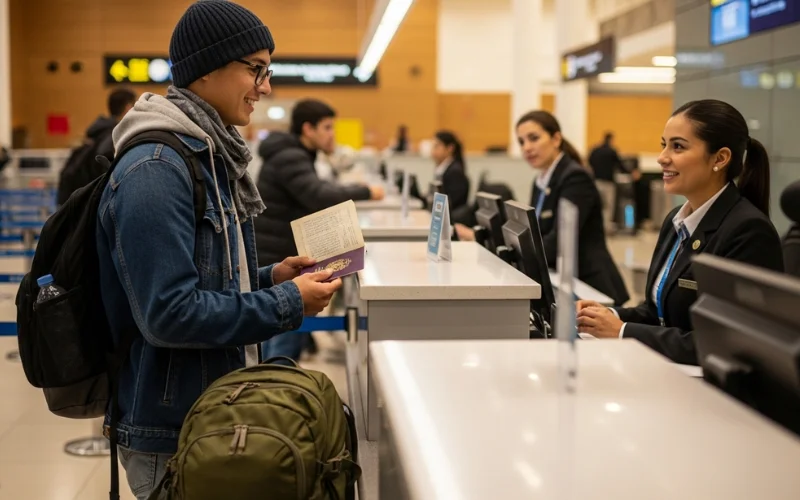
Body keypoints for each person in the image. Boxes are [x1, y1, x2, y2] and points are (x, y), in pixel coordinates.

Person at [96, 2, 341, 498]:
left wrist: (272, 276)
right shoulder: (156, 169)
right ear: (206, 68)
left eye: (267, 71)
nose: (266, 86)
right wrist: (288, 301)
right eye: (255, 69)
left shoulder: (209, 155)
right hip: (172, 430)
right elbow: (168, 314)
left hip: (211, 406)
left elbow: (206, 279)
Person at [577, 99, 784, 365]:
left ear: (720, 158)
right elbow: (656, 313)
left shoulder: (747, 231)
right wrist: (608, 316)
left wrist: (623, 332)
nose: (662, 158)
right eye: (664, 145)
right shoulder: (676, 221)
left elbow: (728, 344)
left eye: (678, 147)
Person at [254, 99, 384, 362]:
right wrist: (367, 191)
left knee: (287, 333)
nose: (332, 134)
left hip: (281, 252)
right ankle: (276, 393)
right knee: (283, 342)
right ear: (308, 129)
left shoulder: (296, 154)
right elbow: (317, 195)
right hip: (278, 258)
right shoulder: (290, 156)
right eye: (326, 127)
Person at [518, 110, 629, 306]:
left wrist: (520, 251)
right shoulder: (540, 180)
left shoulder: (574, 177)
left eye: (533, 138)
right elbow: (537, 231)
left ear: (556, 139)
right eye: (521, 142)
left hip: (590, 285)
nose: (527, 147)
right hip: (562, 279)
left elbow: (560, 238)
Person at [57, 88, 136, 205]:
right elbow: (103, 157)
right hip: (94, 201)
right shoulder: (114, 133)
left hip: (80, 199)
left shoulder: (98, 132)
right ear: (128, 107)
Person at [426, 130, 470, 213]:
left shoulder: (455, 172)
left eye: (437, 146)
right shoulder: (442, 169)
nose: (433, 150)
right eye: (433, 146)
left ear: (450, 148)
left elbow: (451, 204)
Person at [588, 132, 622, 232]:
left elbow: (589, 161)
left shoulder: (595, 150)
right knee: (608, 206)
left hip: (597, 182)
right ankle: (606, 227)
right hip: (608, 183)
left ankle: (596, 227)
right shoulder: (612, 151)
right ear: (611, 139)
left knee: (597, 206)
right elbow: (620, 165)